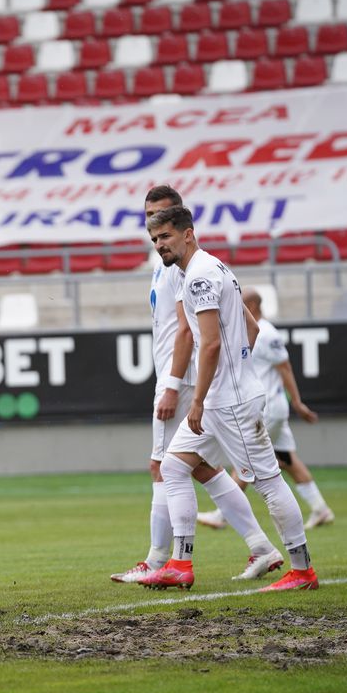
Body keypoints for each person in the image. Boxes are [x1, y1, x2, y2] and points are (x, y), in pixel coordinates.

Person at [110, 186, 286, 584]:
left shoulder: (182, 267)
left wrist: (174, 384)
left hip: (185, 378)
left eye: (163, 217)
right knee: (201, 468)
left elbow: (189, 330)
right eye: (149, 218)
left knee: (164, 466)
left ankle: (159, 561)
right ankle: (261, 546)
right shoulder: (166, 263)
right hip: (185, 376)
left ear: (182, 221)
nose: (155, 227)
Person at [138, 205, 318, 592]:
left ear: (188, 233)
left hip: (229, 404)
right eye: (154, 239)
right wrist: (238, 371)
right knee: (173, 467)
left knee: (268, 482)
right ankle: (179, 564)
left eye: (166, 236)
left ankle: (302, 571)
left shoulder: (199, 276)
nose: (160, 245)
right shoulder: (212, 268)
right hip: (228, 396)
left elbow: (212, 343)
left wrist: (203, 397)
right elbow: (249, 329)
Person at [196, 289, 336, 531]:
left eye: (240, 303)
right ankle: (321, 508)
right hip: (273, 408)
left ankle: (222, 514)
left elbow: (285, 368)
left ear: (251, 304)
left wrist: (298, 402)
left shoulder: (266, 333)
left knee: (245, 457)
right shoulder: (248, 331)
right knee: (288, 460)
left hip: (267, 408)